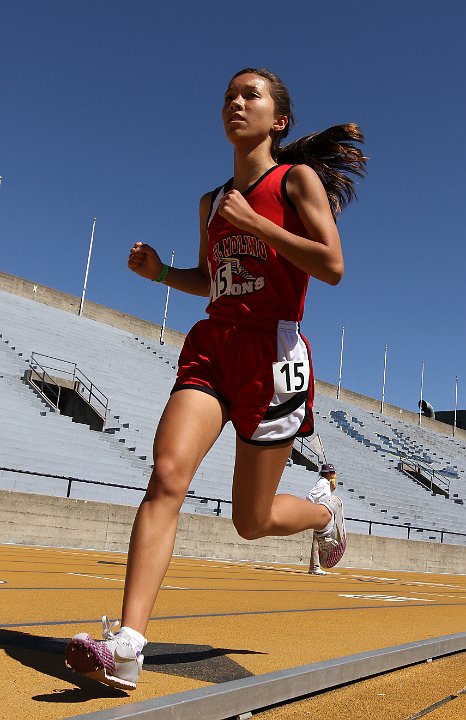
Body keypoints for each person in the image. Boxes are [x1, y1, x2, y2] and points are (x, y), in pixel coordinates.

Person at [65, 67, 367, 690]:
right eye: (229, 95)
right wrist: (160, 274)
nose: (235, 102)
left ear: (278, 119)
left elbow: (332, 265)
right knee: (167, 475)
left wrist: (260, 226)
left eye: (250, 94)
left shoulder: (295, 181)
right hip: (213, 347)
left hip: (273, 353)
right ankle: (126, 645)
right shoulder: (211, 201)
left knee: (250, 522)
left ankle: (324, 512)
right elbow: (212, 279)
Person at [308, 463, 337, 575]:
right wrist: (314, 509)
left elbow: (324, 496)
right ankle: (315, 567)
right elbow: (311, 495)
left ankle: (315, 566)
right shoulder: (322, 483)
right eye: (332, 472)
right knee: (317, 540)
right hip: (319, 513)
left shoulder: (326, 484)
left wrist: (332, 489)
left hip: (323, 513)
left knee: (319, 541)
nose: (334, 474)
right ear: (328, 473)